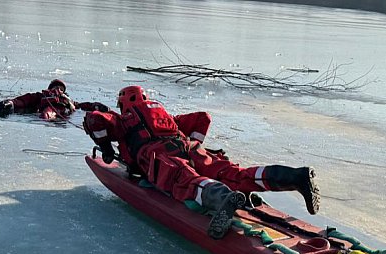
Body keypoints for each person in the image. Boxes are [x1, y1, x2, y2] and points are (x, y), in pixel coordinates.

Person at [82, 85, 320, 239]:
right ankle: (295, 177)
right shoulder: (164, 115)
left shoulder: (124, 119)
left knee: (185, 181)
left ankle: (223, 199)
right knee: (233, 173)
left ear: (124, 103)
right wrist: (196, 146)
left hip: (160, 156)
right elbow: (202, 118)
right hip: (188, 146)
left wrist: (106, 149)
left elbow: (94, 119)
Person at [0, 79, 109, 120]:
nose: (58, 90)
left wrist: (96, 106)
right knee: (46, 116)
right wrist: (10, 103)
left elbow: (83, 105)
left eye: (61, 89)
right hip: (48, 112)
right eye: (56, 87)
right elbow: (26, 99)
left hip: (61, 116)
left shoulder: (67, 101)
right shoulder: (42, 96)